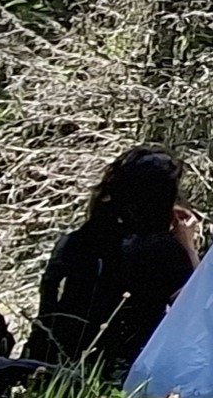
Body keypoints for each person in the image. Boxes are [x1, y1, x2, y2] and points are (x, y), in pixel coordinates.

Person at [27, 146, 200, 376]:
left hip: (54, 364)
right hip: (124, 371)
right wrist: (188, 247)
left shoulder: (76, 241)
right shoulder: (161, 251)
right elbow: (198, 310)